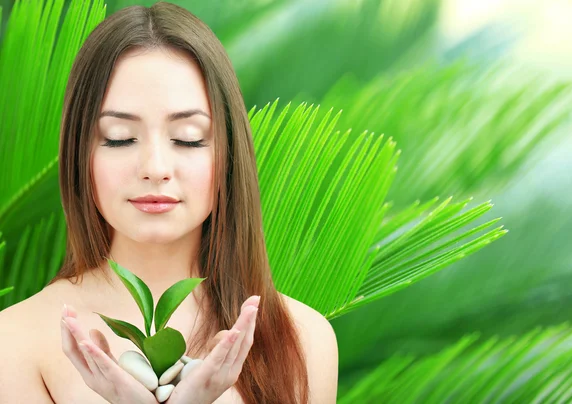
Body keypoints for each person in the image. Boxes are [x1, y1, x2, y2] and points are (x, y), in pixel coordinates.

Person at [0, 2, 338, 403]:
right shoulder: (18, 339)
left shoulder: (303, 338)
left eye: (189, 138)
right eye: (121, 137)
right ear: (79, 153)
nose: (155, 168)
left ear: (229, 154)